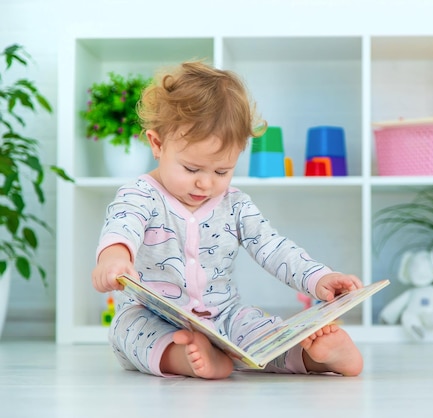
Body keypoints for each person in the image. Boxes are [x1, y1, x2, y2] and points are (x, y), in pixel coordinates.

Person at [91, 61, 364, 379]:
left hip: (223, 316)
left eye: (222, 171)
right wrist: (114, 258)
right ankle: (184, 357)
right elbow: (123, 226)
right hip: (152, 315)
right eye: (192, 169)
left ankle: (316, 358)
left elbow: (273, 248)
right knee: (129, 330)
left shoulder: (235, 204)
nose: (206, 184)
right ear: (157, 143)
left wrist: (319, 279)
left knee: (261, 331)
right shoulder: (140, 194)